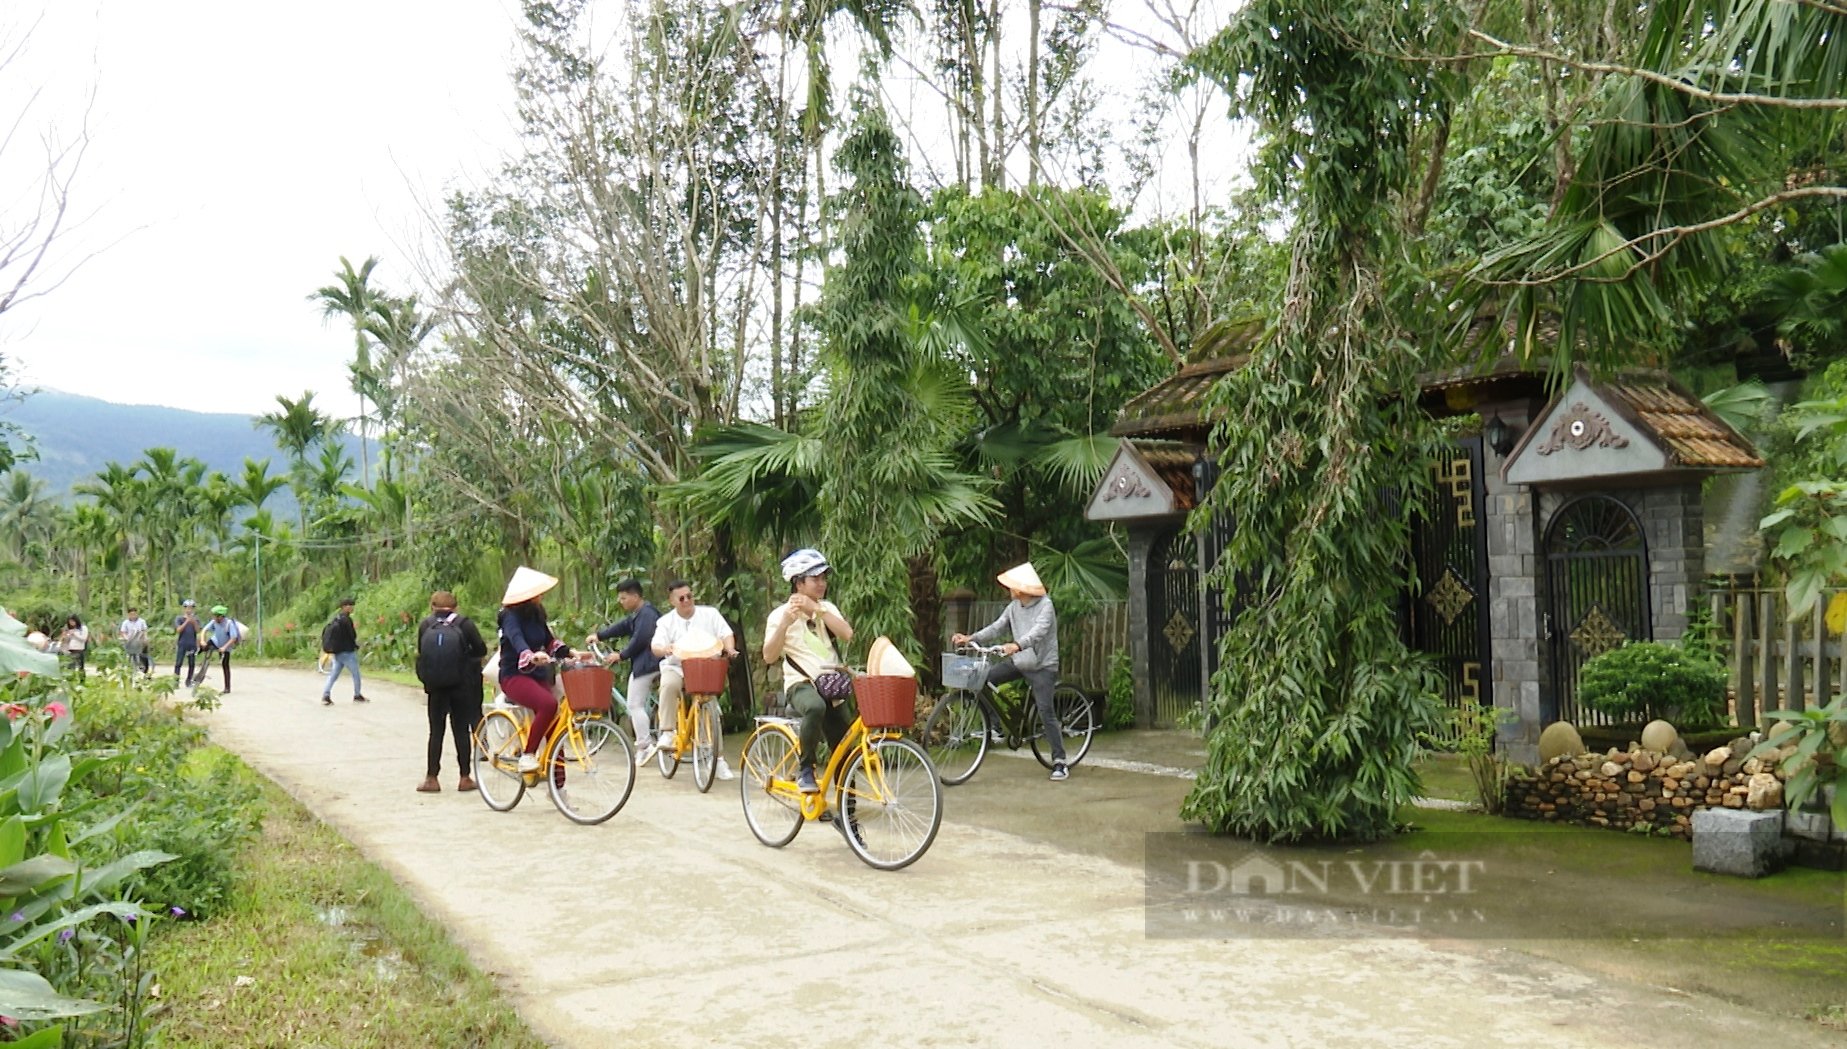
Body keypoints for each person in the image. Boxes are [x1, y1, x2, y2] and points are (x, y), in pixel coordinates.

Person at [952, 561, 1068, 781]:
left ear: (1022, 588)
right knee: (982, 679)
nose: (1009, 590)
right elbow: (997, 627)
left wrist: (1017, 645)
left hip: (1043, 666)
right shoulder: (1014, 607)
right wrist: (971, 638)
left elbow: (1039, 631)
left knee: (1045, 710)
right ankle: (996, 727)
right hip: (1019, 661)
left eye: (1012, 586)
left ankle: (1060, 761)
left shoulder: (1046, 606)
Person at [761, 549, 854, 795]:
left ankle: (848, 808)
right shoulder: (779, 615)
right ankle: (806, 770)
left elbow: (847, 634)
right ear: (798, 583)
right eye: (816, 579)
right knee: (815, 707)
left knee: (845, 745)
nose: (822, 583)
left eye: (824, 578)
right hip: (800, 684)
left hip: (832, 685)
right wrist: (784, 625)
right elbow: (769, 656)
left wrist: (817, 609)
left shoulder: (827, 608)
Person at [649, 578, 737, 780]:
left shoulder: (710, 614)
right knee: (669, 684)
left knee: (711, 704)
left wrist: (730, 649)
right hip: (677, 666)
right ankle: (667, 731)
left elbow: (726, 633)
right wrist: (665, 649)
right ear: (672, 601)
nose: (687, 601)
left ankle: (718, 758)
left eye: (689, 596)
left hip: (705, 667)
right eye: (681, 598)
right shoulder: (666, 622)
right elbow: (656, 646)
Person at [497, 567, 572, 774]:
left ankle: (558, 786)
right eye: (537, 592)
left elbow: (548, 640)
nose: (541, 595)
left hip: (538, 674)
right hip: (514, 675)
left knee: (556, 727)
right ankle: (527, 755)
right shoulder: (509, 616)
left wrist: (570, 652)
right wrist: (528, 654)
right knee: (548, 705)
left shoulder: (537, 613)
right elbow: (516, 638)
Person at [416, 591, 489, 793]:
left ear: (432, 606)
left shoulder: (426, 625)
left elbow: (422, 653)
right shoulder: (464, 624)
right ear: (455, 607)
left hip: (436, 688)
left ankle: (432, 778)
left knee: (436, 732)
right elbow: (480, 650)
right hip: (461, 686)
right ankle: (465, 778)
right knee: (461, 731)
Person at [586, 578, 663, 763]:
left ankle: (645, 745)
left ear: (635, 596)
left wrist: (621, 655)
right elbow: (623, 627)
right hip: (651, 663)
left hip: (648, 664)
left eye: (623, 598)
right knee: (640, 703)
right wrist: (599, 635)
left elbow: (641, 638)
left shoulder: (647, 614)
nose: (621, 602)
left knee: (634, 704)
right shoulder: (639, 613)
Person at [319, 597, 367, 705]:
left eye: (351, 605)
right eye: (349, 605)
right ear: (344, 607)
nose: (351, 607)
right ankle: (357, 695)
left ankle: (326, 695)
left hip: (337, 651)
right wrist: (355, 645)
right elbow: (352, 635)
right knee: (356, 674)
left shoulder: (336, 618)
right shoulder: (346, 620)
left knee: (333, 675)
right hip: (347, 652)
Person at [198, 605, 242, 693]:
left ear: (221, 616)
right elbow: (204, 630)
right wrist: (202, 641)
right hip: (216, 641)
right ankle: (200, 662)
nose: (214, 618)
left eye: (215, 616)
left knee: (225, 665)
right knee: (205, 646)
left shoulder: (229, 624)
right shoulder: (214, 622)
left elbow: (233, 638)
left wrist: (224, 648)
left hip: (226, 645)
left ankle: (227, 688)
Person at [173, 599, 201, 682]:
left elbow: (198, 630)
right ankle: (176, 680)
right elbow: (178, 630)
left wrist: (193, 622)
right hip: (182, 643)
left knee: (191, 663)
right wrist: (186, 621)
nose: (189, 610)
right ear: (184, 609)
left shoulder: (196, 619)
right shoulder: (179, 618)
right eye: (187, 608)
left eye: (191, 608)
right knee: (178, 663)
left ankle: (189, 680)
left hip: (192, 644)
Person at [118, 606, 151, 675]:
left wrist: (145, 638)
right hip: (130, 642)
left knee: (143, 656)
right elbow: (123, 632)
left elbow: (144, 631)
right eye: (131, 614)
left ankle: (145, 673)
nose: (133, 616)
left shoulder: (142, 621)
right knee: (128, 656)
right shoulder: (125, 623)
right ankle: (128, 670)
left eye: (134, 614)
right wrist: (126, 638)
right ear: (129, 615)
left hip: (140, 642)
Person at [59, 615, 89, 680]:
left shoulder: (83, 628)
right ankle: (71, 680)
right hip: (70, 649)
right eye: (70, 622)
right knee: (70, 667)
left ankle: (82, 680)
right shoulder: (71, 629)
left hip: (79, 649)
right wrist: (65, 636)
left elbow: (84, 638)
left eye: (72, 621)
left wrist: (74, 634)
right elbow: (67, 640)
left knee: (80, 667)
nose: (71, 623)